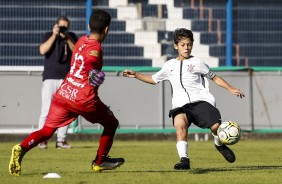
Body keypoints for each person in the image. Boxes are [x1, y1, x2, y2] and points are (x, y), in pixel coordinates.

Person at [9, 9, 124, 176]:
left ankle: (21, 147)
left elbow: (84, 58)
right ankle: (100, 161)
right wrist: (92, 72)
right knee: (111, 123)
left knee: (47, 131)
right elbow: (91, 60)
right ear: (107, 29)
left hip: (64, 93)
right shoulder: (95, 46)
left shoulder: (81, 40)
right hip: (83, 98)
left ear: (88, 26)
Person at [122, 28, 245, 170]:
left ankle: (219, 144)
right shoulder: (169, 66)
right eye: (183, 45)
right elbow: (153, 79)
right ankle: (184, 160)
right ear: (176, 46)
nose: (186, 48)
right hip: (180, 105)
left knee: (216, 128)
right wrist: (136, 74)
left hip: (201, 102)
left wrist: (231, 89)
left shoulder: (198, 62)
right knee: (180, 126)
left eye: (189, 44)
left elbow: (214, 77)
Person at [38, 16, 78, 149]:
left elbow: (77, 52)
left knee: (65, 110)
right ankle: (42, 139)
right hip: (50, 78)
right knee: (46, 109)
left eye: (65, 26)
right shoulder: (48, 35)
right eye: (61, 26)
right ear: (56, 25)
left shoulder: (71, 36)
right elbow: (43, 50)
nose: (63, 29)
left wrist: (66, 37)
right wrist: (55, 35)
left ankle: (61, 140)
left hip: (66, 78)